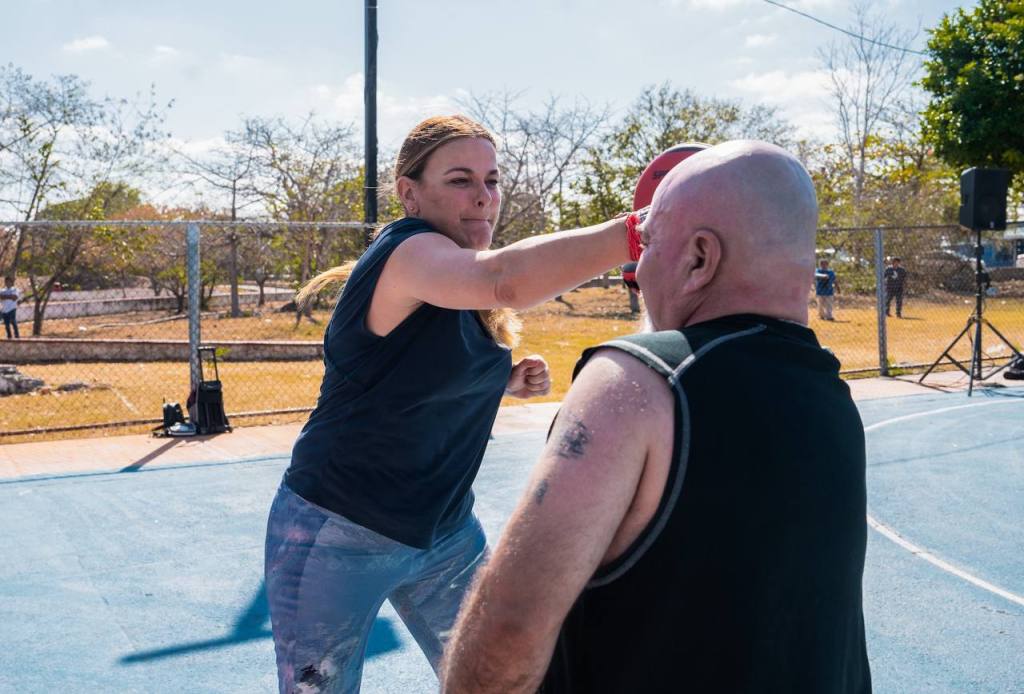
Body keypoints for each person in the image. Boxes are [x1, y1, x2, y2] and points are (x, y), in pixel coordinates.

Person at [442, 141, 871, 694]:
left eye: (647, 245)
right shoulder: (833, 398)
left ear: (699, 258)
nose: (638, 268)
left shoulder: (634, 382)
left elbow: (509, 627)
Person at [264, 115, 639, 694]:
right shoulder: (409, 253)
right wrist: (638, 232)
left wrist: (504, 381)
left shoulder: (456, 283)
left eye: (491, 180)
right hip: (340, 527)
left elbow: (423, 373)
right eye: (461, 179)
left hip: (445, 533)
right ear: (409, 193)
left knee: (504, 682)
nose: (483, 197)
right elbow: (506, 280)